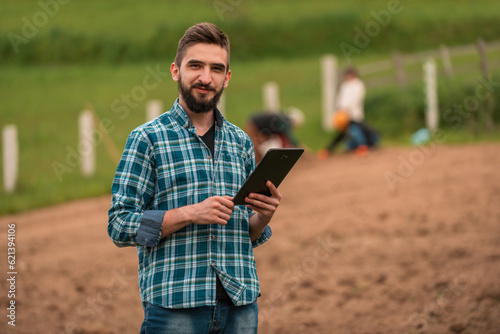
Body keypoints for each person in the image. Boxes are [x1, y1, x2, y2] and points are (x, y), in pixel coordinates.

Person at [108, 22, 281, 334]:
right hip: (175, 310)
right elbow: (119, 225)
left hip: (240, 306)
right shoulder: (147, 139)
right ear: (176, 71)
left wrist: (264, 216)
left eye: (216, 68)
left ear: (226, 77)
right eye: (196, 66)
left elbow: (245, 235)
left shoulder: (241, 142)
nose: (206, 77)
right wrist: (191, 213)